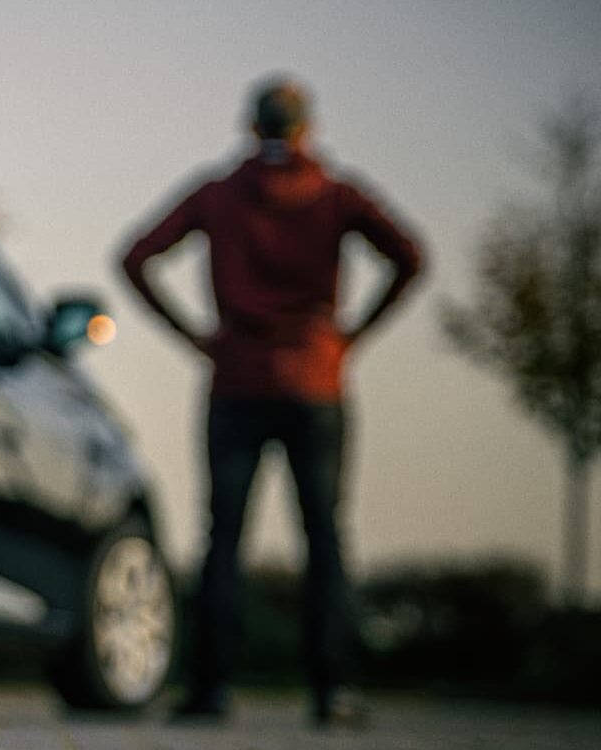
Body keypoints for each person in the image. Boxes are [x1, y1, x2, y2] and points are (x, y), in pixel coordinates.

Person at [117, 75, 424, 726]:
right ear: (307, 129)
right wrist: (353, 335)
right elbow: (411, 257)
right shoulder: (337, 195)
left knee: (221, 537)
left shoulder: (219, 194)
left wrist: (195, 338)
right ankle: (331, 689)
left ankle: (211, 689)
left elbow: (135, 257)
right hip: (316, 382)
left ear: (252, 129)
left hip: (235, 381)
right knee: (325, 537)